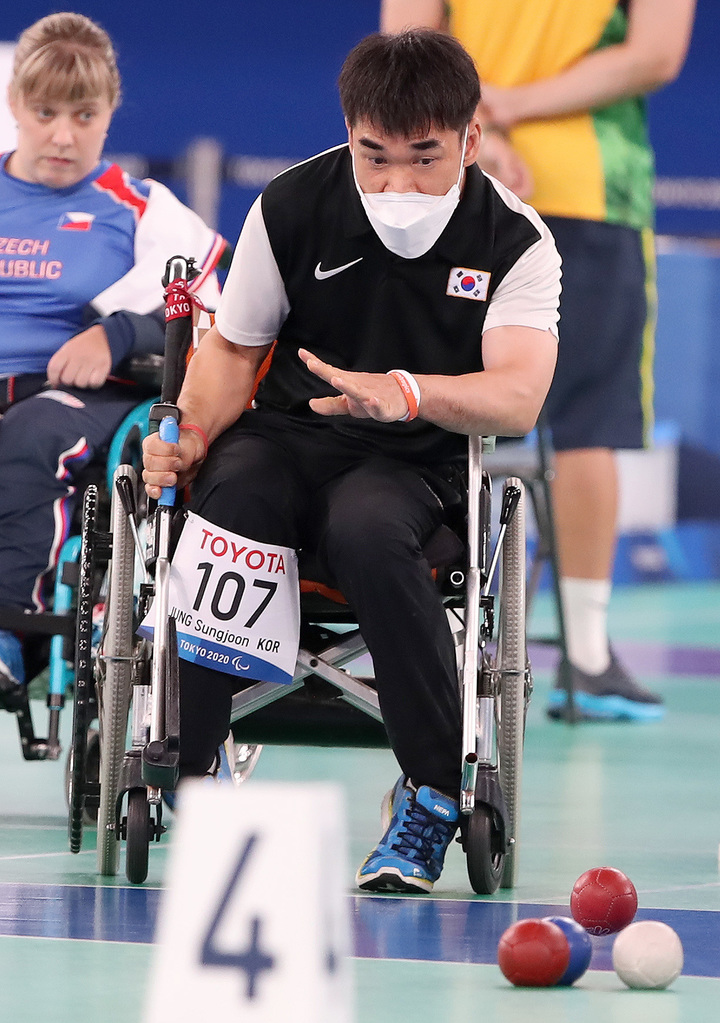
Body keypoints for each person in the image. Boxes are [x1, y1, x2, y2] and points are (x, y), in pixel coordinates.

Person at [143, 29, 560, 894]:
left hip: (417, 465)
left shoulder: (516, 240)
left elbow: (518, 394)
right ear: (348, 133)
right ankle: (194, 768)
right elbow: (232, 351)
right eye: (375, 156)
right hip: (288, 437)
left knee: (367, 528)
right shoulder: (292, 204)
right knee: (230, 497)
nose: (397, 183)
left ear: (471, 140)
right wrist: (189, 433)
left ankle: (431, 792)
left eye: (423, 158)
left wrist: (406, 393)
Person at [381, 0, 696, 722]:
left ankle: (414, 635)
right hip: (583, 185)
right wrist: (506, 109)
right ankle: (587, 657)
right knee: (585, 425)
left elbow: (405, 43)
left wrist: (474, 127)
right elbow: (654, 53)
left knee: (424, 396)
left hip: (452, 174)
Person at [0, 12, 227, 709]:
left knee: (31, 435)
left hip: (76, 396)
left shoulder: (140, 207)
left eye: (84, 115)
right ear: (14, 104)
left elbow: (211, 315)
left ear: (109, 113)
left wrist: (118, 334)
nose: (63, 136)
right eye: (45, 113)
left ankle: (11, 632)